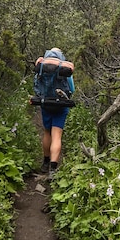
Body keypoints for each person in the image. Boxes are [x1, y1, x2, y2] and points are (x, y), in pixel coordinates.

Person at [36, 47, 75, 178]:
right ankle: (53, 169)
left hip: (46, 104)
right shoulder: (63, 69)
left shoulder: (42, 67)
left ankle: (45, 163)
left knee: (47, 132)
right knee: (57, 135)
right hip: (61, 106)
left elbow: (36, 84)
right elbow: (72, 89)